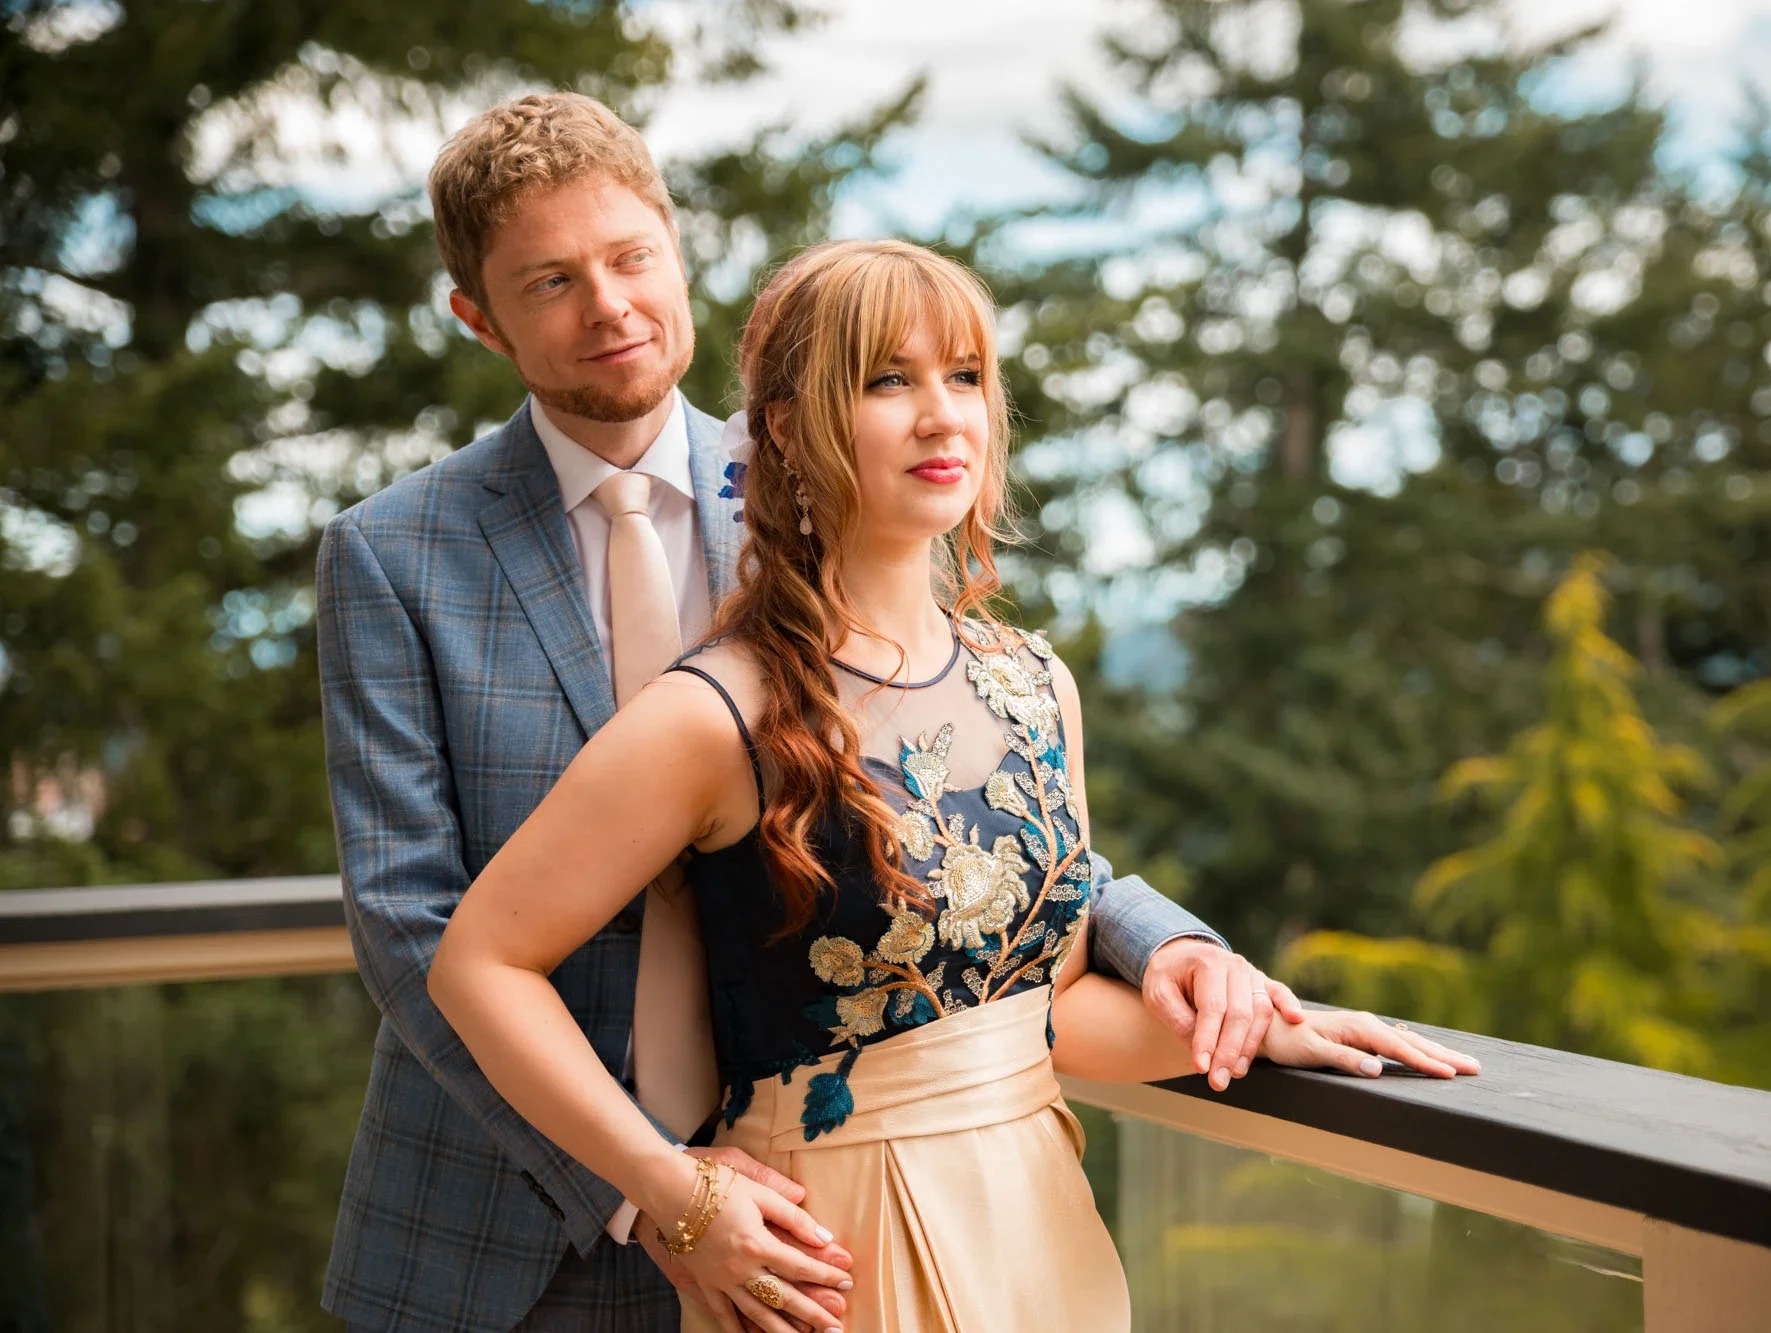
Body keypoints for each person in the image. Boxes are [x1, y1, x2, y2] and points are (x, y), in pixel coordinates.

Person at [317, 91, 1394, 1333]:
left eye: (629, 258)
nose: (608, 304)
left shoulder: (828, 488)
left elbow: (953, 822)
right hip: (522, 1223)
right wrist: (652, 1191)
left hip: (856, 1207)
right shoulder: (395, 555)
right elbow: (417, 927)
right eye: (551, 281)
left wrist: (1185, 958)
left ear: (676, 248)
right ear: (479, 317)